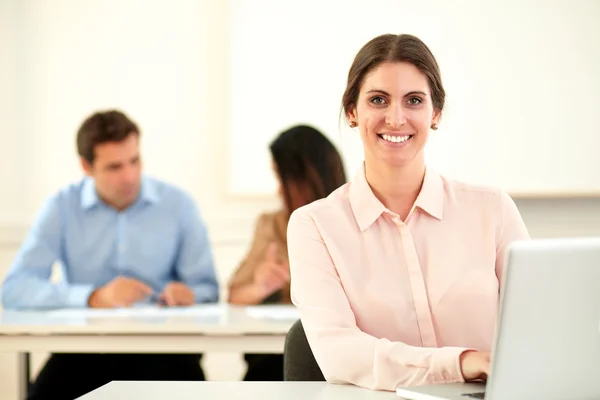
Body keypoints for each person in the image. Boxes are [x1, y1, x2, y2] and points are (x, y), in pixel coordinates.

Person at [286, 34, 530, 392]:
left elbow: (538, 324)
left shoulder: (492, 209)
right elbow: (339, 354)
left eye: (414, 100)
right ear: (353, 112)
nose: (396, 118)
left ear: (436, 114)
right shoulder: (315, 226)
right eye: (378, 100)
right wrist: (460, 363)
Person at [1, 110, 219, 399]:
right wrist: (94, 297)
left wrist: (189, 294)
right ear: (86, 166)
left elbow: (208, 289)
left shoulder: (178, 205)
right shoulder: (62, 207)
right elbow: (15, 289)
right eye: (114, 167)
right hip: (83, 352)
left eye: (135, 161)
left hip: (164, 352)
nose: (130, 176)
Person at [228, 124, 346, 380]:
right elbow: (234, 295)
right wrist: (260, 287)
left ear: (307, 179)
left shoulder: (353, 223)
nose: (278, 190)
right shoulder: (272, 224)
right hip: (272, 358)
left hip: (340, 357)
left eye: (281, 179)